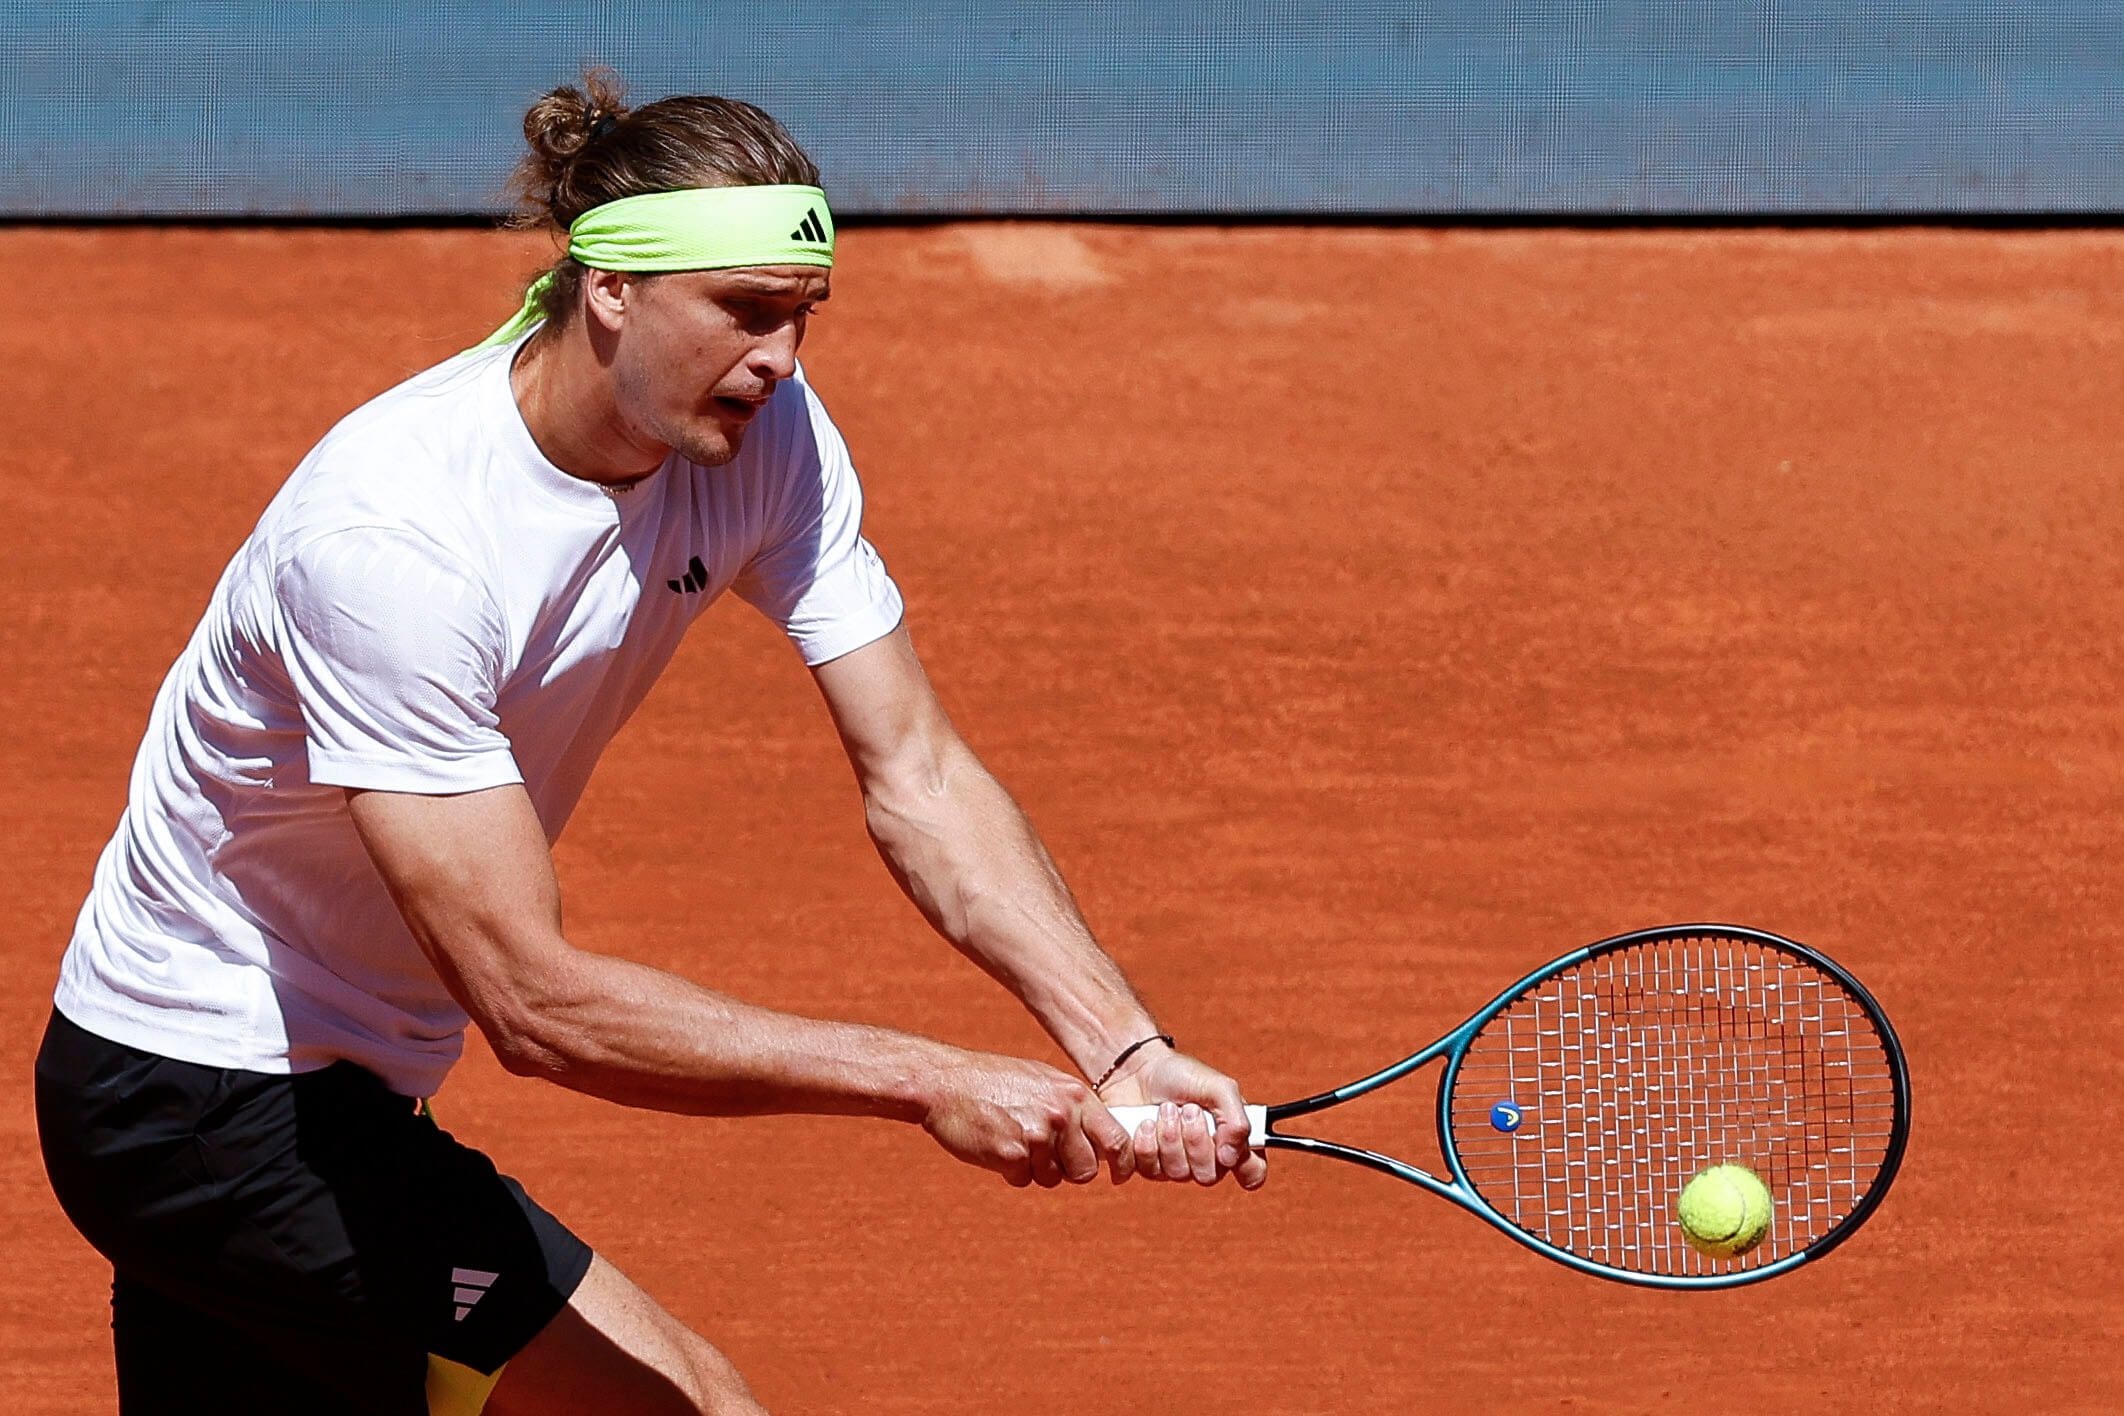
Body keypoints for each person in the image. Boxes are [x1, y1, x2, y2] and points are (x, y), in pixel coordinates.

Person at [34, 72, 1266, 1416]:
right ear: (611, 288)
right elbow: (535, 1003)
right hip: (205, 1101)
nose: (779, 360)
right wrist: (930, 1080)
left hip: (333, 1085)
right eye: (743, 309)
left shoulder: (765, 438)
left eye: (802, 316)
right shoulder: (392, 546)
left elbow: (919, 774)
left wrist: (1121, 1047)